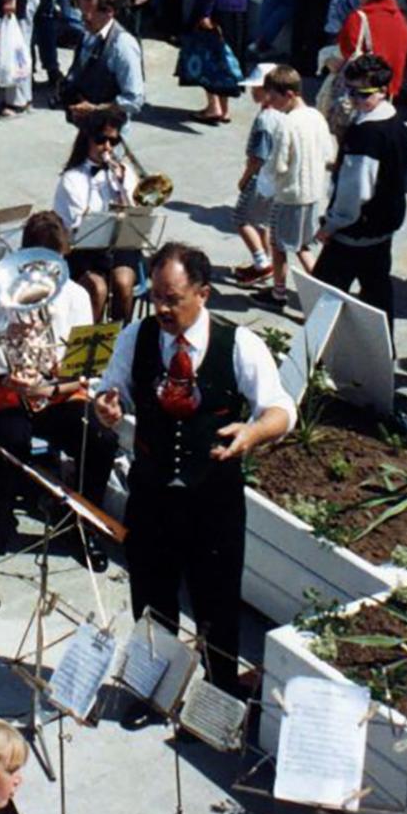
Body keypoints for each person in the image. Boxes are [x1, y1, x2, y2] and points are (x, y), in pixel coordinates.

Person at [94, 242, 296, 697]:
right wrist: (107, 404)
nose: (162, 308)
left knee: (217, 605)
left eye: (173, 299)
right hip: (151, 494)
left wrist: (252, 433)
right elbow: (112, 388)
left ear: (203, 294)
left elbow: (281, 409)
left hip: (213, 501)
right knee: (150, 599)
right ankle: (153, 688)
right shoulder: (137, 337)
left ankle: (219, 696)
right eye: (158, 297)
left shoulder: (239, 344)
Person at [0, 213, 116, 615]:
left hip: (51, 393)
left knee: (102, 439)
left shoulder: (75, 295)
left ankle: (79, 523)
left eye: (54, 268)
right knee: (10, 448)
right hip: (3, 390)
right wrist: (1, 335)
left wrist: (47, 388)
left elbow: (86, 373)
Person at [315, 54, 407, 334]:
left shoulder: (367, 134)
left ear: (383, 90)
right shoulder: (397, 125)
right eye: (349, 90)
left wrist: (332, 224)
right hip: (383, 228)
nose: (353, 98)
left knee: (322, 297)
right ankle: (382, 357)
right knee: (377, 296)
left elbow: (356, 189)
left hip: (355, 230)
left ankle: (313, 360)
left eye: (361, 93)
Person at [53, 107, 139, 322]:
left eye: (113, 141)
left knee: (123, 282)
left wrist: (122, 187)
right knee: (97, 288)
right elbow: (79, 224)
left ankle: (122, 338)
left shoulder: (124, 172)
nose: (107, 147)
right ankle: (91, 345)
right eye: (101, 140)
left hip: (120, 244)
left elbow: (137, 212)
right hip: (85, 249)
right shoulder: (73, 179)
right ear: (88, 139)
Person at [264, 65, 334, 310]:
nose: (270, 102)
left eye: (273, 96)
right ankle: (324, 291)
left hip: (290, 195)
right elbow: (329, 153)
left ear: (289, 94)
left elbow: (279, 164)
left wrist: (266, 180)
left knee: (279, 245)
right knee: (303, 245)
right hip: (313, 193)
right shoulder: (316, 116)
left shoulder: (287, 124)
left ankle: (280, 293)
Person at [60, 0, 145, 125]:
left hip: (109, 135)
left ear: (109, 12)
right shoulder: (87, 34)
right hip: (87, 128)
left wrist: (96, 109)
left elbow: (134, 99)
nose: (84, 18)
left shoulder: (123, 45)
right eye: (82, 11)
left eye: (89, 12)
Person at [230, 65, 278, 288]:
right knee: (262, 222)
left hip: (260, 178)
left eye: (256, 88)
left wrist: (244, 178)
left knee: (242, 219)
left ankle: (261, 263)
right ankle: (266, 261)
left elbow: (257, 157)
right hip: (276, 178)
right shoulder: (282, 114)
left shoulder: (265, 120)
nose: (252, 92)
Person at [334, 0, 407, 99]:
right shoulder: (401, 22)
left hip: (360, 97)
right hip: (386, 97)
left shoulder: (357, 18)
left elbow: (344, 57)